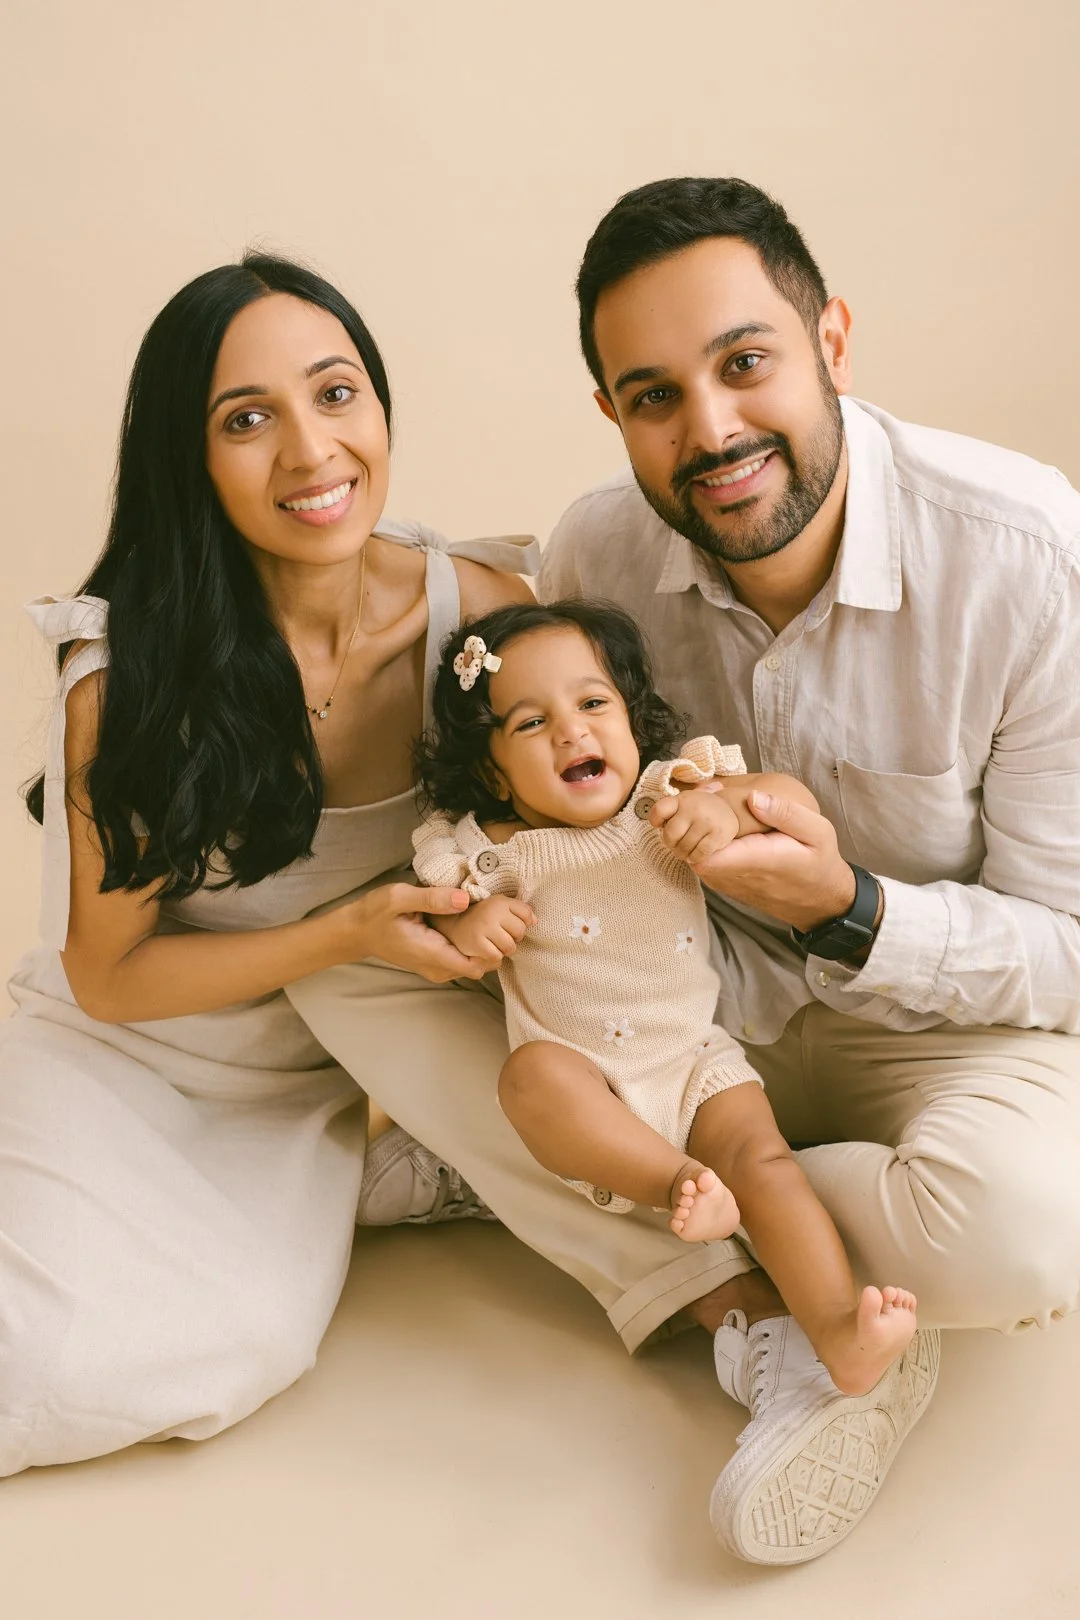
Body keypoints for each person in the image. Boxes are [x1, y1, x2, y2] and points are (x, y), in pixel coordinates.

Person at [3, 251, 753, 1483]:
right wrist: (351, 932)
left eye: (336, 394)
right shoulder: (132, 674)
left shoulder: (483, 614)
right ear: (188, 461)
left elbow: (582, 811)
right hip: (131, 1061)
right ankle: (412, 1175)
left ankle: (435, 1181)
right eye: (247, 420)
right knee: (49, 1356)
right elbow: (112, 980)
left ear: (383, 409)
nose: (310, 452)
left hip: (324, 1081)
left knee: (238, 1341)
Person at [540, 175, 1080, 1562]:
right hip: (696, 1030)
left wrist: (850, 912)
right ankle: (814, 1294)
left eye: (744, 363)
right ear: (613, 416)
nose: (711, 431)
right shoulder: (593, 553)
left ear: (831, 339)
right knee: (471, 1009)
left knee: (1028, 1233)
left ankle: (710, 1243)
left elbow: (1068, 942)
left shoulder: (1022, 555)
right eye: (654, 395)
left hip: (948, 1039)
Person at [412, 598, 919, 1395]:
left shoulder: (668, 800)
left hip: (691, 1057)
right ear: (491, 769)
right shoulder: (494, 850)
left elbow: (787, 798)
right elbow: (436, 920)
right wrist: (473, 921)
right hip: (588, 1078)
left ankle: (837, 1332)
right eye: (531, 724)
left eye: (591, 704)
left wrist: (721, 809)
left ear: (629, 716)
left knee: (767, 1164)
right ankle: (679, 1184)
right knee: (530, 1077)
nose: (573, 732)